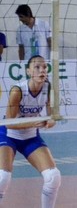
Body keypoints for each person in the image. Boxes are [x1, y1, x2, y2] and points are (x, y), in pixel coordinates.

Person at [0, 55, 61, 207]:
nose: (42, 70)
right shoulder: (18, 90)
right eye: (37, 67)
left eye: (44, 67)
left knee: (53, 177)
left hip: (30, 136)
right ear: (28, 72)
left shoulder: (49, 89)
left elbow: (52, 116)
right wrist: (33, 122)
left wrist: (50, 121)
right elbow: (9, 123)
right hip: (8, 135)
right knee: (3, 177)